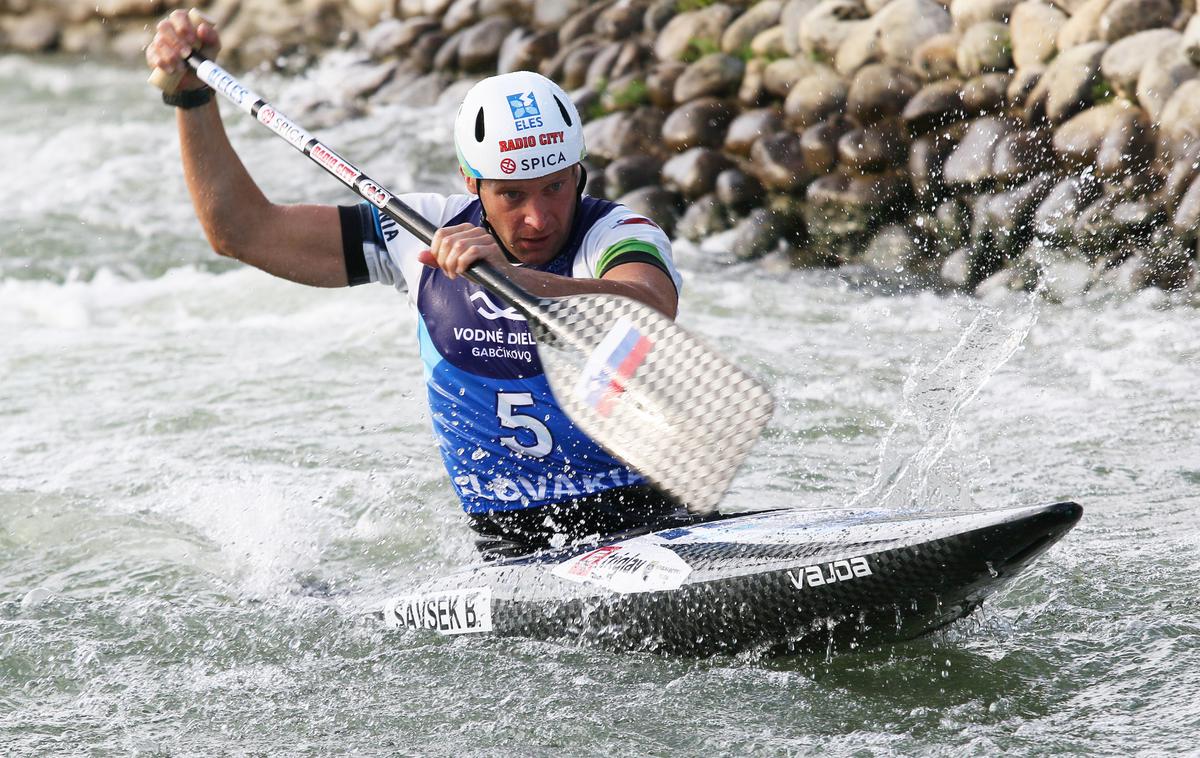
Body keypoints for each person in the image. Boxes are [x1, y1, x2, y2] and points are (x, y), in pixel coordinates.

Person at [146, 11, 697, 557]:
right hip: (512, 550)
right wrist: (192, 100)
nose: (538, 218)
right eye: (511, 195)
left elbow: (648, 306)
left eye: (554, 187)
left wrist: (515, 278)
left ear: (579, 172)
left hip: (648, 516)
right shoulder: (421, 230)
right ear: (471, 182)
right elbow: (242, 231)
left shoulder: (617, 233)